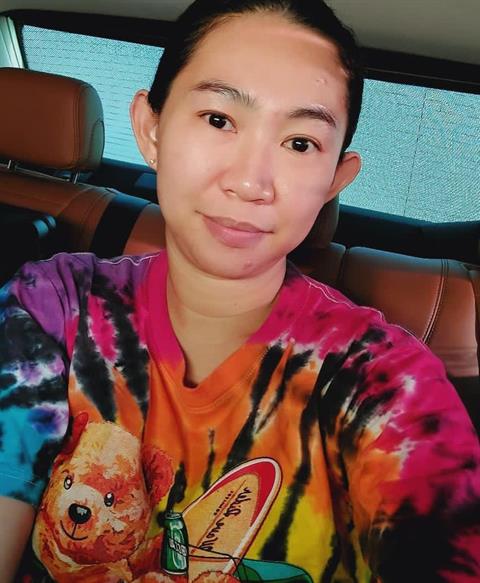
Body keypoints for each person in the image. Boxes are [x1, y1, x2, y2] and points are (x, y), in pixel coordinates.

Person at [0, 0, 478, 581]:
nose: (251, 182)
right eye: (219, 119)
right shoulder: (52, 307)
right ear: (151, 129)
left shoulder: (384, 383)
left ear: (334, 179)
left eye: (300, 143)